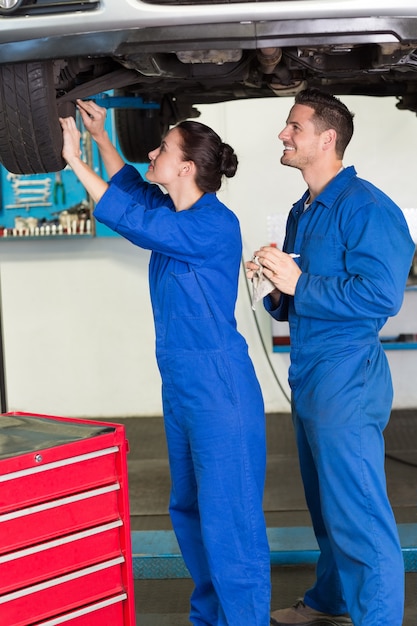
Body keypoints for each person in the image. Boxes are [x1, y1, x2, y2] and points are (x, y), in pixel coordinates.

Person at [60, 100, 271, 626]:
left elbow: (130, 218)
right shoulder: (175, 212)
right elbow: (132, 193)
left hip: (220, 389)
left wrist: (73, 159)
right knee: (191, 512)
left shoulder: (213, 226)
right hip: (182, 387)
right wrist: (100, 137)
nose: (151, 152)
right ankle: (211, 619)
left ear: (186, 168)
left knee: (230, 521)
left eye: (162, 149)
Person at [246, 88, 415, 626]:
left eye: (293, 126)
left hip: (347, 375)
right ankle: (332, 602)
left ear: (327, 138)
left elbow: (381, 297)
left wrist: (301, 281)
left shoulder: (367, 207)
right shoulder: (306, 209)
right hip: (312, 372)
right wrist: (275, 282)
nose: (283, 134)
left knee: (359, 513)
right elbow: (295, 299)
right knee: (326, 505)